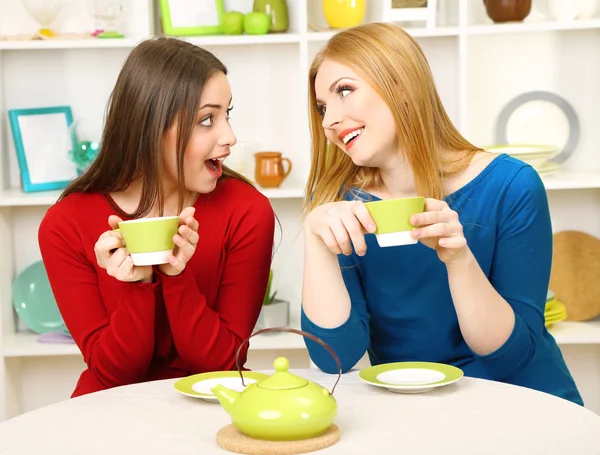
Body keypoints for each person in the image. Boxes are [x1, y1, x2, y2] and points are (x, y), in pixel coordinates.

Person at [300, 22, 583, 406]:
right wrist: (316, 242)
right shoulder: (340, 205)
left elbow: (511, 356)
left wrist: (459, 259)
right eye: (321, 107)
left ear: (400, 85)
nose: (328, 121)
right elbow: (335, 358)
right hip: (417, 413)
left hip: (525, 405)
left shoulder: (512, 186)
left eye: (344, 91)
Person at [38, 37, 275, 398]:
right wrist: (137, 284)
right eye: (207, 119)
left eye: (227, 114)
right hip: (110, 411)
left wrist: (176, 277)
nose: (230, 136)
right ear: (150, 128)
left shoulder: (246, 211)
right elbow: (112, 372)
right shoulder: (66, 224)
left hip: (217, 405)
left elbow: (223, 365)